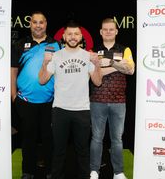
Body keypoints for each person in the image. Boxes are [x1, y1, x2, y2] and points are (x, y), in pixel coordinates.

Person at [38, 20, 103, 179]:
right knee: (59, 150)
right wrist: (45, 63)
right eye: (70, 34)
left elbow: (98, 81)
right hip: (60, 110)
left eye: (76, 34)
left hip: (82, 110)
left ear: (81, 36)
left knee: (82, 151)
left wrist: (97, 64)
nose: (73, 37)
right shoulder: (56, 56)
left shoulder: (88, 56)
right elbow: (42, 80)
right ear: (64, 36)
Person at [11, 11, 61, 179]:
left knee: (49, 138)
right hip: (25, 101)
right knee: (28, 139)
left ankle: (50, 171)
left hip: (49, 101)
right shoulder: (20, 44)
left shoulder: (56, 44)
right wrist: (13, 96)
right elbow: (13, 71)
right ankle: (28, 171)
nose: (38, 25)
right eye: (35, 22)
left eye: (41, 22)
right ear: (30, 24)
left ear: (46, 24)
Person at [89, 18, 135, 179]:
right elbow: (95, 74)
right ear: (101, 32)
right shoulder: (93, 52)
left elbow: (130, 70)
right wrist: (117, 65)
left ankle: (118, 172)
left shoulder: (125, 49)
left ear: (116, 31)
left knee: (117, 139)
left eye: (111, 29)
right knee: (96, 138)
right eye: (105, 29)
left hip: (119, 102)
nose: (108, 32)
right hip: (97, 101)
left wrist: (108, 63)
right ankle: (94, 170)